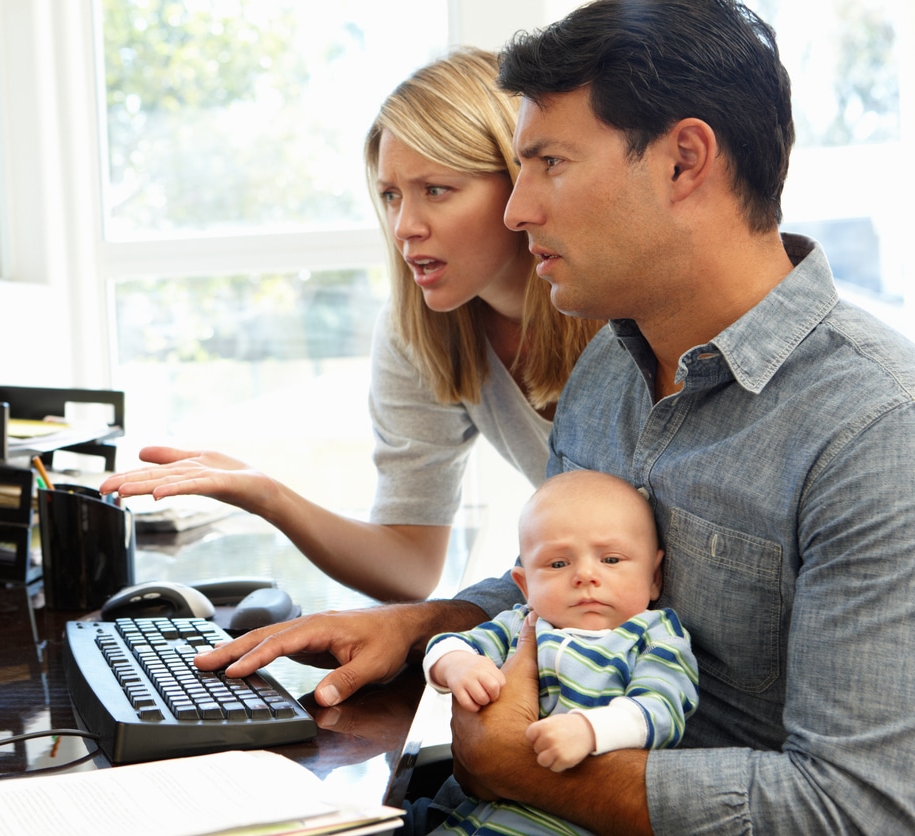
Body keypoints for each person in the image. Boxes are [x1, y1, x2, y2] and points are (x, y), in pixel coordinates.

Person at [193, 1, 915, 832]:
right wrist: (421, 625)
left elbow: (861, 809)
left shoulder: (875, 431)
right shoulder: (612, 362)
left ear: (685, 161)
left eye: (549, 164)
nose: (515, 209)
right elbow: (571, 583)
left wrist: (527, 775)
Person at [100, 47, 601, 603]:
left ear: (517, 183)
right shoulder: (420, 334)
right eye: (390, 195)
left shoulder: (616, 309)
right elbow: (408, 564)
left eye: (436, 189)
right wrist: (266, 494)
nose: (404, 226)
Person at [423, 470, 697, 835]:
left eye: (611, 560)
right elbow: (449, 643)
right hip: (468, 812)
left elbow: (662, 709)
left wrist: (590, 730)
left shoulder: (654, 636)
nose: (585, 575)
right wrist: (456, 664)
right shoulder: (524, 622)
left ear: (654, 577)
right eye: (558, 564)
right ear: (524, 584)